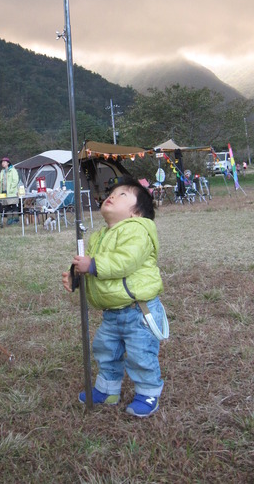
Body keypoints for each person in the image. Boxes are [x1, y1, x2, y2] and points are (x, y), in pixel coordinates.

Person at [62, 175, 168, 418]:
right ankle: (107, 390)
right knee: (106, 351)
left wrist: (93, 265)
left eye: (123, 195)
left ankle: (148, 392)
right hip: (112, 313)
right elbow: (87, 264)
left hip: (137, 311)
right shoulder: (100, 236)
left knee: (142, 354)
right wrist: (76, 277)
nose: (112, 196)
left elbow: (124, 262)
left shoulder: (138, 231)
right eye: (112, 192)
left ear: (136, 213)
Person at [0, 157, 20, 225]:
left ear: (8, 163)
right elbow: (1, 181)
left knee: (13, 205)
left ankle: (16, 220)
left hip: (11, 191)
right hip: (3, 191)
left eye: (4, 162)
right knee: (6, 206)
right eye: (2, 162)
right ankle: (9, 219)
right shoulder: (2, 171)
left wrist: (11, 189)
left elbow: (15, 180)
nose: (3, 163)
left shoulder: (13, 170)